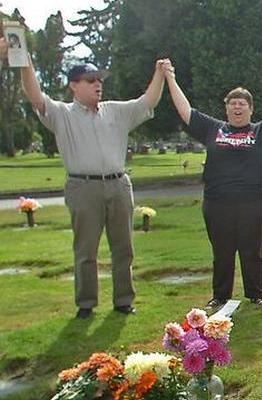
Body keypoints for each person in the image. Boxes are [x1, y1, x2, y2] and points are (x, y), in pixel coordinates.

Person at [3, 33, 165, 319]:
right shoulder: (61, 114)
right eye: (91, 80)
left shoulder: (116, 111)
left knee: (123, 248)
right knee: (86, 251)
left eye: (99, 80)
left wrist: (159, 74)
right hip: (83, 187)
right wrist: (24, 59)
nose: (98, 85)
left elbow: (146, 101)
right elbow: (34, 95)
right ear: (74, 86)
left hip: (118, 185)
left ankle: (123, 301)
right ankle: (86, 305)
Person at [162, 60, 262, 309]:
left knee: (252, 252)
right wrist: (170, 77)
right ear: (226, 109)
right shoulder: (213, 129)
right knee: (222, 253)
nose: (237, 107)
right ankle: (220, 296)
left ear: (250, 109)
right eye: (232, 103)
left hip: (256, 202)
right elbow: (185, 111)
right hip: (218, 203)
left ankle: (255, 295)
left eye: (242, 103)